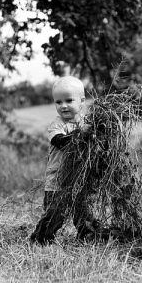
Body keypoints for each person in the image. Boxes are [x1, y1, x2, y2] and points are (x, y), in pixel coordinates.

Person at [30, 76, 96, 245]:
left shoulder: (86, 123)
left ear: (81, 101)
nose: (63, 105)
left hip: (78, 179)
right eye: (58, 102)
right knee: (55, 214)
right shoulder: (56, 125)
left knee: (83, 212)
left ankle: (88, 237)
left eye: (69, 100)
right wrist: (81, 134)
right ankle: (41, 239)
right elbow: (60, 141)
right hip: (57, 180)